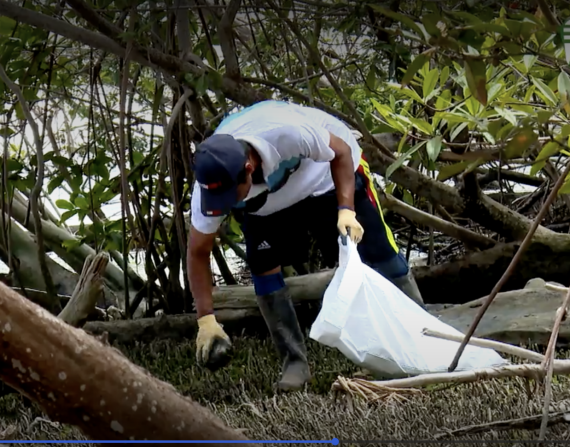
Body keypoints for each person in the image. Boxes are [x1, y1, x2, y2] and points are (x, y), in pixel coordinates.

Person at [187, 100, 424, 391]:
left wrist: (346, 209)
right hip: (266, 204)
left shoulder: (287, 133)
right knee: (263, 269)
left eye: (229, 197)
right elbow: (198, 251)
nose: (225, 208)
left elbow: (341, 151)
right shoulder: (211, 184)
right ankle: (295, 363)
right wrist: (206, 319)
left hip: (327, 173)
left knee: (380, 253)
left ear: (248, 168)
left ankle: (423, 338)